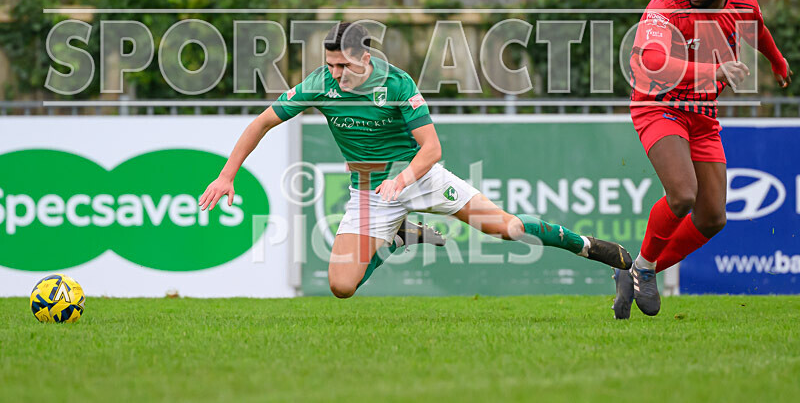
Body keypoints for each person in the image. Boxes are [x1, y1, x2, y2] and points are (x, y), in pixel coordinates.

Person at [200, 22, 632, 298]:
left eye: (344, 66)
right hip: (370, 192)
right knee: (340, 287)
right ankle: (398, 236)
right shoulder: (318, 85)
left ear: (365, 58)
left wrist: (403, 179)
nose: (336, 74)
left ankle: (593, 249)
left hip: (420, 178)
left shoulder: (398, 84)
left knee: (509, 229)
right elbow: (261, 123)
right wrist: (226, 176)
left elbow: (432, 148)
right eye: (330, 66)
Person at [618, 0, 792, 318]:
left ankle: (634, 272)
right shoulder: (665, 8)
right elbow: (653, 61)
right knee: (682, 195)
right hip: (659, 106)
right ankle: (645, 269)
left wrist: (777, 62)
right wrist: (713, 71)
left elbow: (757, 29)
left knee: (713, 217)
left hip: (702, 115)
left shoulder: (742, 2)